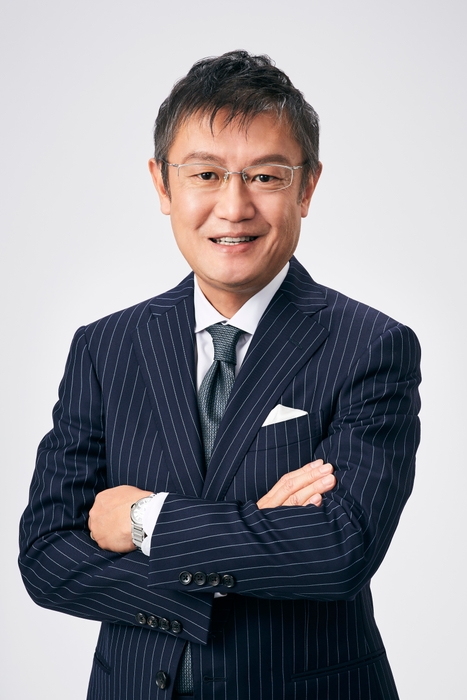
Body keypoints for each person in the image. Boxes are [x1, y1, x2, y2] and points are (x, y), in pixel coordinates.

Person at [19, 50, 421, 700]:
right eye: (205, 174)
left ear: (306, 188)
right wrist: (248, 543)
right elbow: (47, 557)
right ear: (162, 184)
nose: (233, 207)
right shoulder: (105, 347)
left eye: (265, 176)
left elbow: (338, 551)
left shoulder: (371, 346)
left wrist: (147, 520)